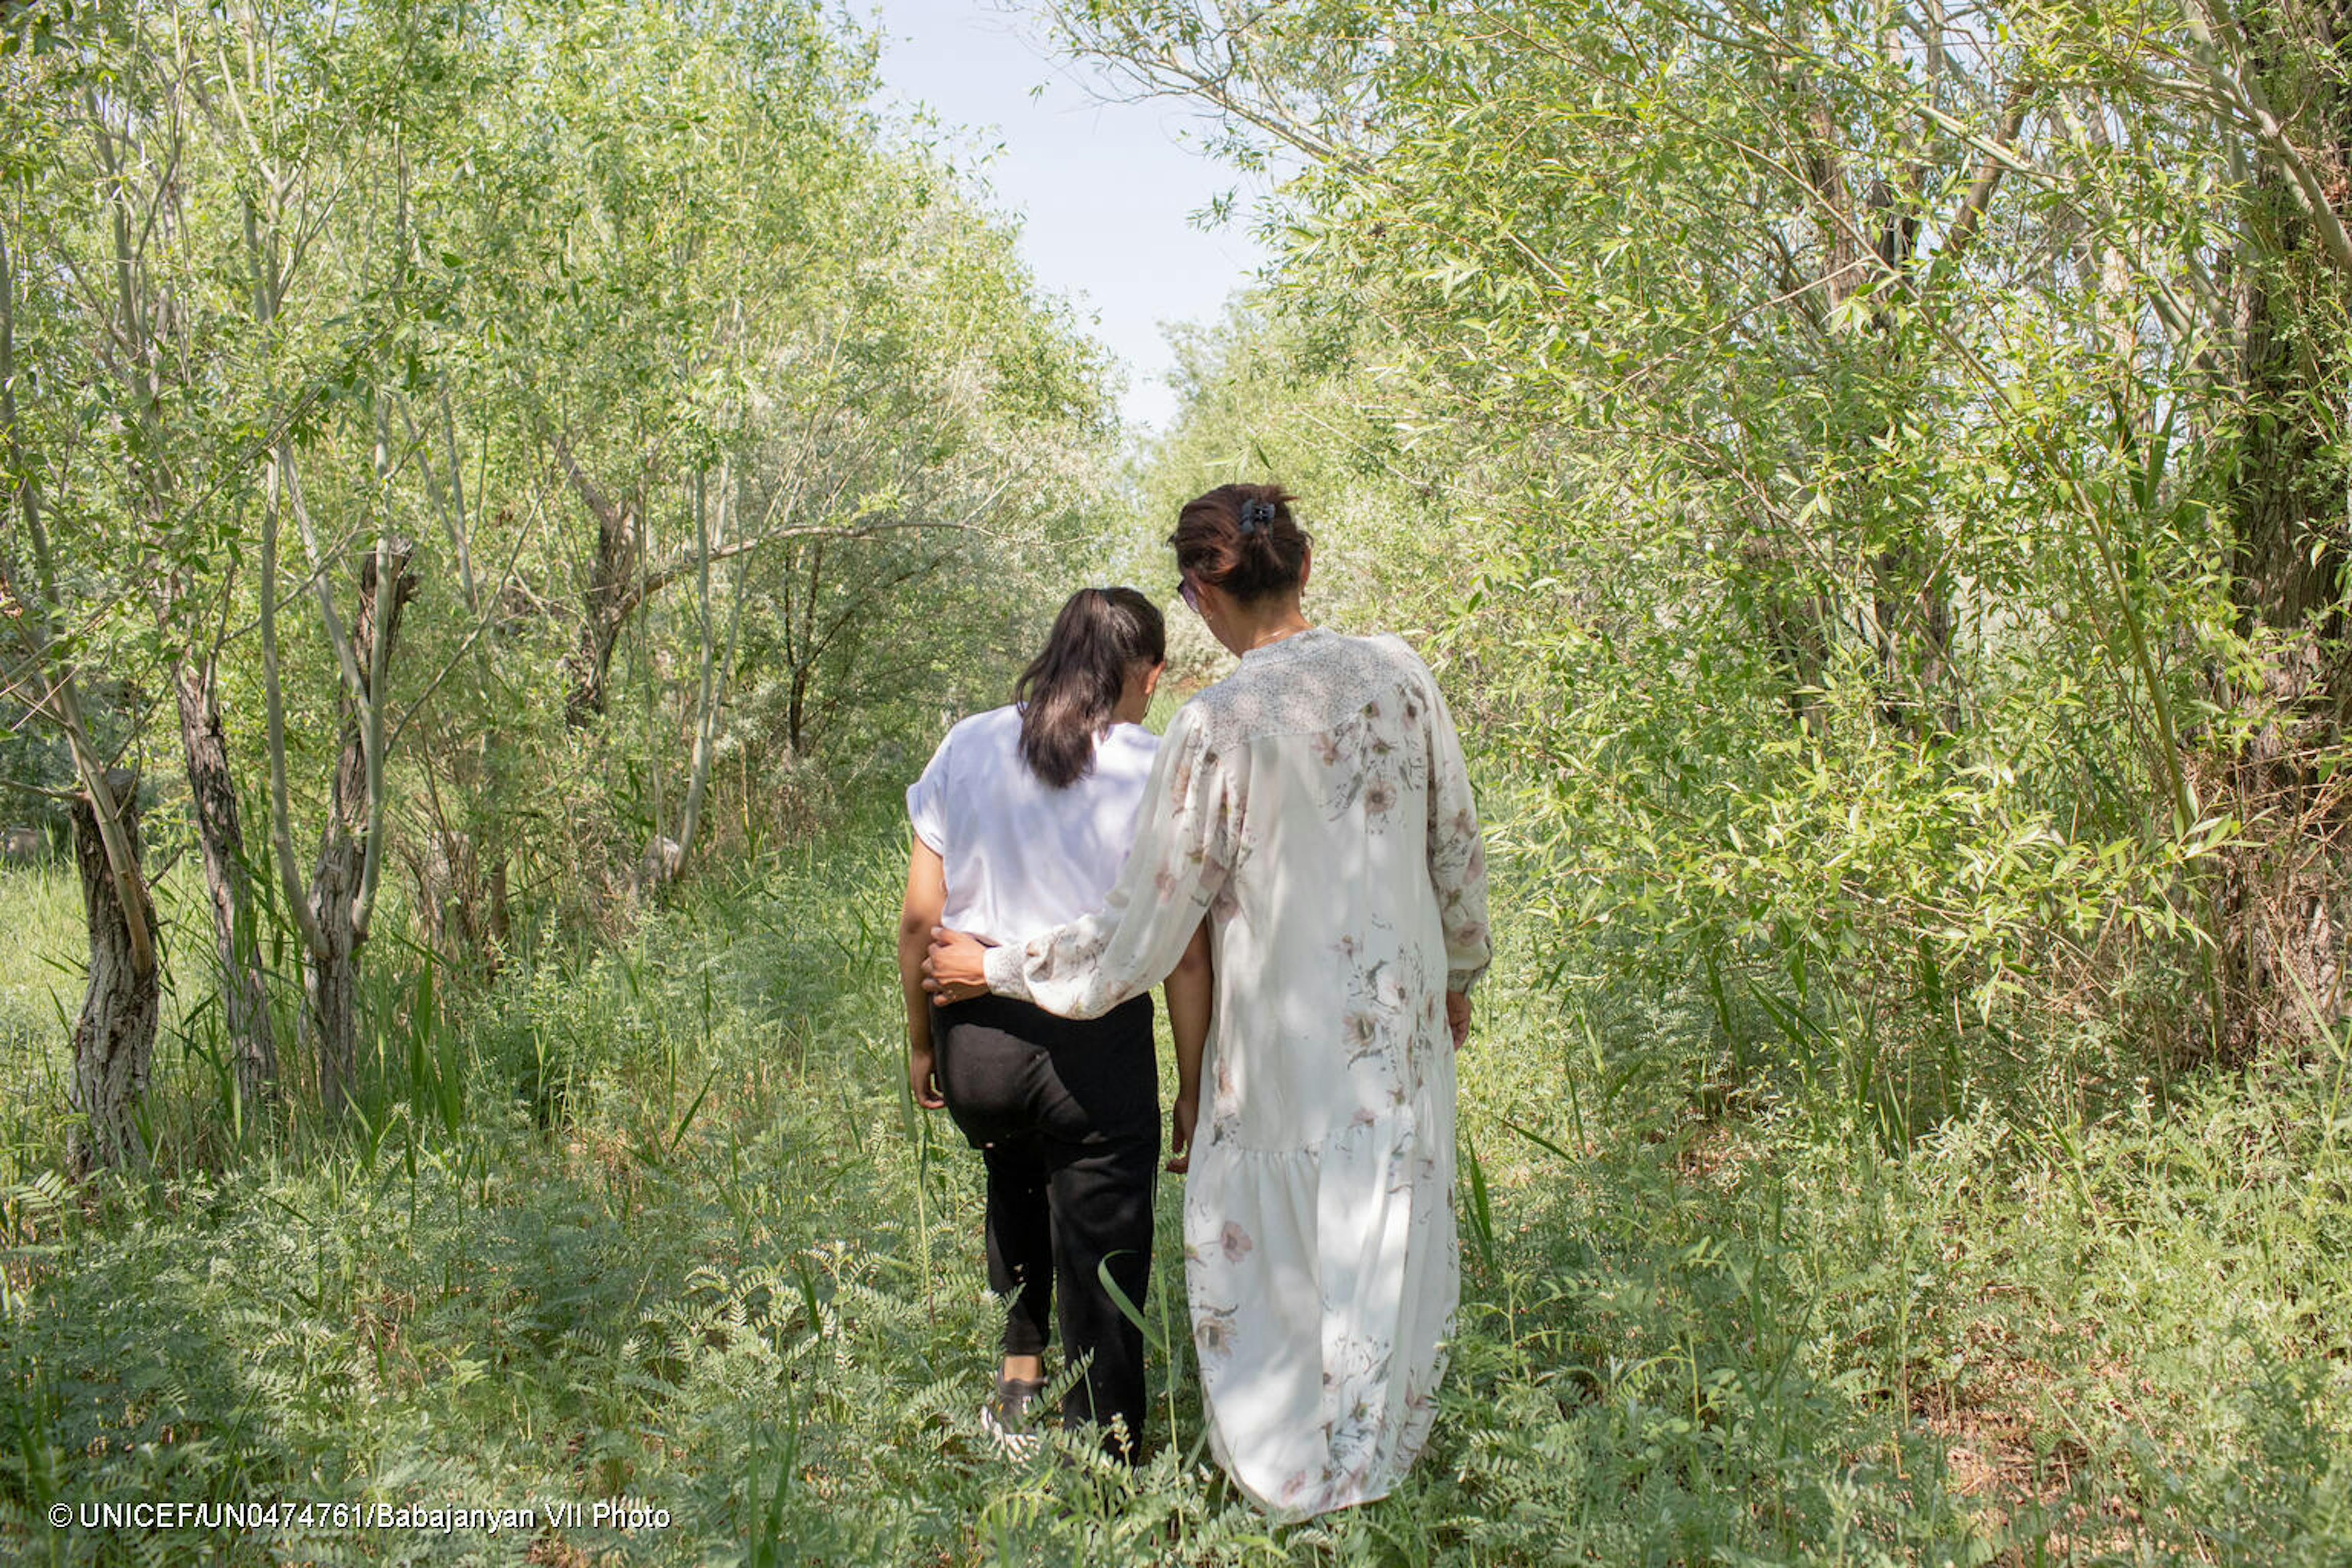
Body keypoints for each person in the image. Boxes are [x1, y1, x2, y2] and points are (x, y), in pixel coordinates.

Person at [926, 484, 1490, 1520]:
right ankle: (1369, 1471)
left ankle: (1300, 1489)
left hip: (1281, 1051)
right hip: (1398, 1027)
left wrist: (999, 966)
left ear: (1195, 597)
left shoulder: (1216, 725)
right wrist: (1460, 974)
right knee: (1380, 1234)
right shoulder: (1404, 676)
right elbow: (1453, 843)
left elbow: (1143, 932)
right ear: (1305, 570)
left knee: (1282, 1258)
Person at [894, 585, 1213, 1461]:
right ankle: (1106, 1447)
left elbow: (921, 919)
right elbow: (1183, 954)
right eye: (1155, 678)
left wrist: (922, 1038)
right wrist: (1191, 1082)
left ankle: (1020, 1384)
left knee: (1015, 1178)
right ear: (1142, 674)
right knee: (1105, 1235)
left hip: (975, 1035)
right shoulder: (1154, 765)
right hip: (1094, 1042)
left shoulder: (970, 743)